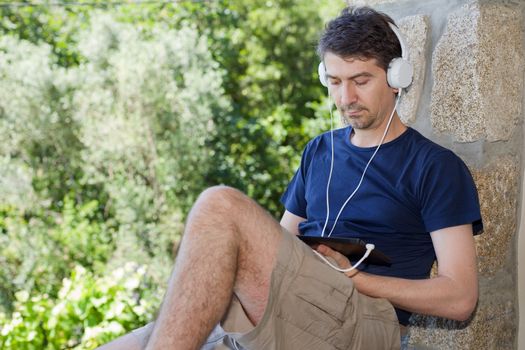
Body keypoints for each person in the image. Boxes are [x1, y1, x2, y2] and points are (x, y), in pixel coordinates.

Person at [98, 6, 483, 350]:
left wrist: (355, 279)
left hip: (364, 324)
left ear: (397, 76)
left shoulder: (434, 167)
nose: (345, 97)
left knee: (219, 205)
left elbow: (460, 297)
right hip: (298, 305)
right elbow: (284, 246)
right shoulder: (320, 152)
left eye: (360, 80)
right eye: (334, 81)